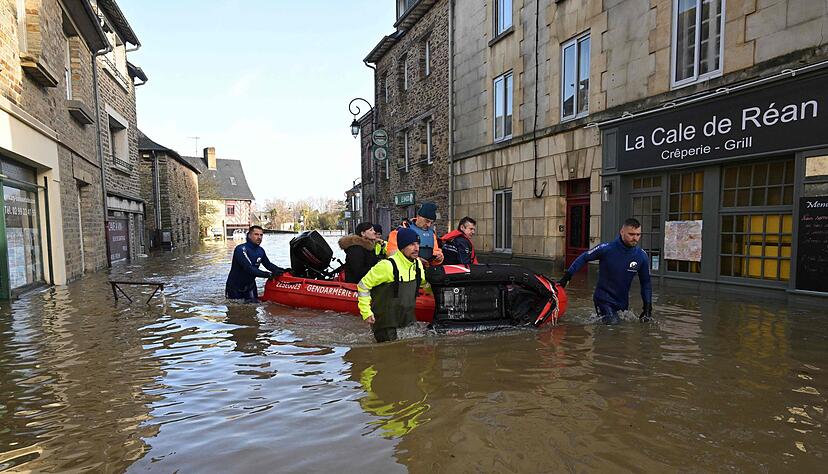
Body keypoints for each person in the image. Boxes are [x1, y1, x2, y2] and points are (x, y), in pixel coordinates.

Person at [558, 218, 653, 325]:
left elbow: (646, 284)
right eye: (631, 234)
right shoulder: (606, 249)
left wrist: (647, 308)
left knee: (621, 331)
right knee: (612, 325)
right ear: (622, 232)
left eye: (638, 234)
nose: (635, 238)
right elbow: (584, 257)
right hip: (603, 299)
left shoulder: (641, 256)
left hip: (622, 302)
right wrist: (567, 277)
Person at [357, 227, 431, 342]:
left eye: (418, 244)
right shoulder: (387, 266)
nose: (416, 248)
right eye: (411, 244)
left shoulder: (418, 265)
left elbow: (425, 284)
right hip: (386, 324)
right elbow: (363, 285)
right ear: (402, 247)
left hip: (407, 320)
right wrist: (366, 312)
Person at [225, 225, 286, 302]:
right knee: (236, 310)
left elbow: (268, 264)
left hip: (250, 286)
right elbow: (249, 268)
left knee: (254, 309)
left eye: (261, 235)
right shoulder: (241, 249)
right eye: (256, 234)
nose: (259, 237)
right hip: (235, 288)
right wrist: (269, 275)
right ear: (249, 236)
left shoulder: (261, 250)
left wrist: (282, 270)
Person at [386, 202, 444, 266]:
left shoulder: (431, 234)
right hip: (406, 271)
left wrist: (439, 258)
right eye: (427, 221)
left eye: (431, 222)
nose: (428, 225)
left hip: (425, 271)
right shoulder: (400, 231)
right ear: (418, 217)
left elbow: (435, 252)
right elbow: (391, 254)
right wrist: (416, 260)